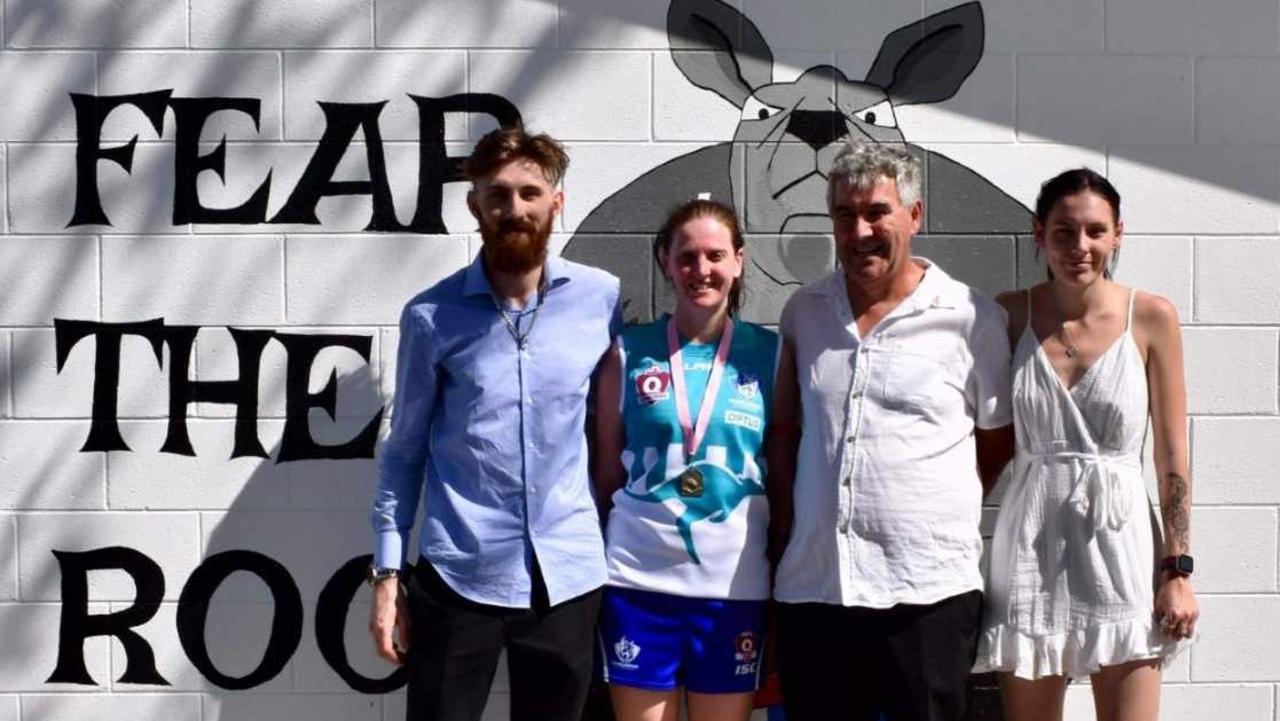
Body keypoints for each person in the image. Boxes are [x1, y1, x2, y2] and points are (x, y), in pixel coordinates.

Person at [367, 126, 622, 721]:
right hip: (460, 575)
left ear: (556, 203)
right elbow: (403, 453)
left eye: (530, 193)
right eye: (498, 194)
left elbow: (613, 432)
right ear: (474, 204)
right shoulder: (431, 316)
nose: (515, 209)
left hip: (568, 577)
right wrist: (386, 575)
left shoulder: (600, 299)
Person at [767, 141, 1016, 721]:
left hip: (925, 592)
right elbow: (788, 434)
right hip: (817, 588)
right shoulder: (803, 311)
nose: (860, 231)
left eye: (877, 211)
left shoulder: (970, 317)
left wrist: (924, 505)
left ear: (915, 215)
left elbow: (997, 439)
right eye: (844, 215)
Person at [974, 168, 1198, 721]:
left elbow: (1172, 455)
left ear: (1117, 233)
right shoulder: (1007, 316)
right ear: (1038, 233)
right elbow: (980, 441)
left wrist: (1178, 572)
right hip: (1030, 541)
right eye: (1064, 231)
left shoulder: (1150, 317)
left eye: (1095, 231)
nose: (1080, 246)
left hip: (1120, 542)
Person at [593, 199, 778, 721]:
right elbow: (607, 471)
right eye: (688, 256)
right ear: (665, 262)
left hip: (732, 587)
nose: (702, 270)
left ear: (739, 260)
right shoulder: (628, 352)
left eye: (716, 255)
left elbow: (782, 467)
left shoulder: (772, 353)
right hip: (638, 580)